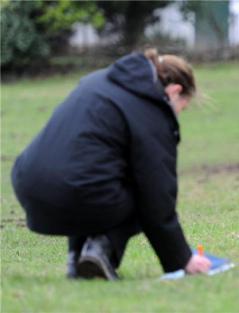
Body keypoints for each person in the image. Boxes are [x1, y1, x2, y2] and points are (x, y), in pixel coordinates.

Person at [11, 48, 211, 280]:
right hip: (75, 191)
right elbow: (156, 197)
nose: (176, 116)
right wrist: (182, 259)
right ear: (174, 91)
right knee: (135, 191)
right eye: (181, 108)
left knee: (93, 180)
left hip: (29, 184)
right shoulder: (151, 109)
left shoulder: (98, 81)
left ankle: (76, 261)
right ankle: (100, 252)